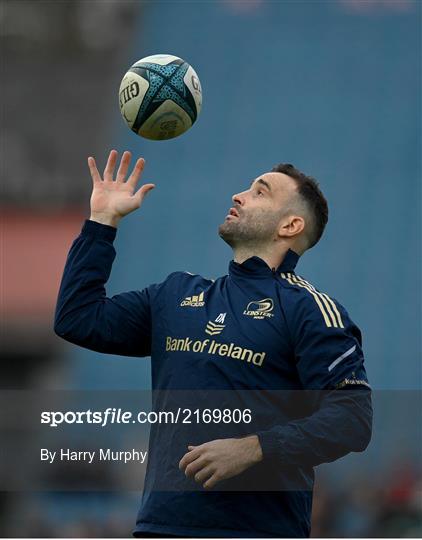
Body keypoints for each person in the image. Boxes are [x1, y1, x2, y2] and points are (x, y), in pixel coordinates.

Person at [55, 150, 372, 538]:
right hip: (160, 528)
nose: (238, 195)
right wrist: (102, 222)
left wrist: (255, 447)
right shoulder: (176, 295)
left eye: (260, 192)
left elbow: (353, 419)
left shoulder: (311, 310)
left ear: (290, 225)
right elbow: (78, 319)